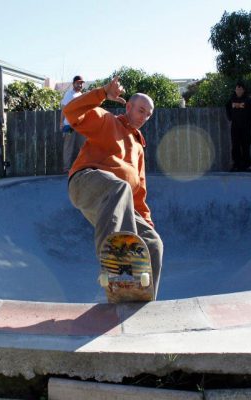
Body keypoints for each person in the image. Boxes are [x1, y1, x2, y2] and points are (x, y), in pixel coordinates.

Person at [63, 76, 163, 299]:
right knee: (120, 187)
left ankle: (138, 298)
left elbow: (140, 194)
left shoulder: (138, 149)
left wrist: (146, 224)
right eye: (141, 110)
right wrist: (102, 94)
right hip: (85, 183)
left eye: (148, 115)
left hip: (116, 203)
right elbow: (71, 113)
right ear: (128, 106)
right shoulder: (107, 121)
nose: (144, 117)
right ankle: (115, 264)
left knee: (154, 243)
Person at [225, 82, 251, 172]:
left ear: (243, 90)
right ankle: (236, 165)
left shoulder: (248, 100)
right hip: (235, 127)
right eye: (237, 89)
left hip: (246, 126)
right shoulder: (232, 99)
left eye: (240, 89)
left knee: (245, 146)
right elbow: (227, 107)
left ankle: (247, 166)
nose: (238, 91)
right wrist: (229, 118)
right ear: (235, 90)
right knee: (235, 146)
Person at [59, 75, 87, 172]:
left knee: (83, 145)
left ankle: (83, 166)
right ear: (73, 83)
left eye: (81, 83)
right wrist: (61, 122)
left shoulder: (81, 95)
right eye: (78, 83)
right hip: (69, 125)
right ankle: (66, 168)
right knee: (68, 146)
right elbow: (63, 109)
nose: (80, 85)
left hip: (80, 125)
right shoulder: (69, 94)